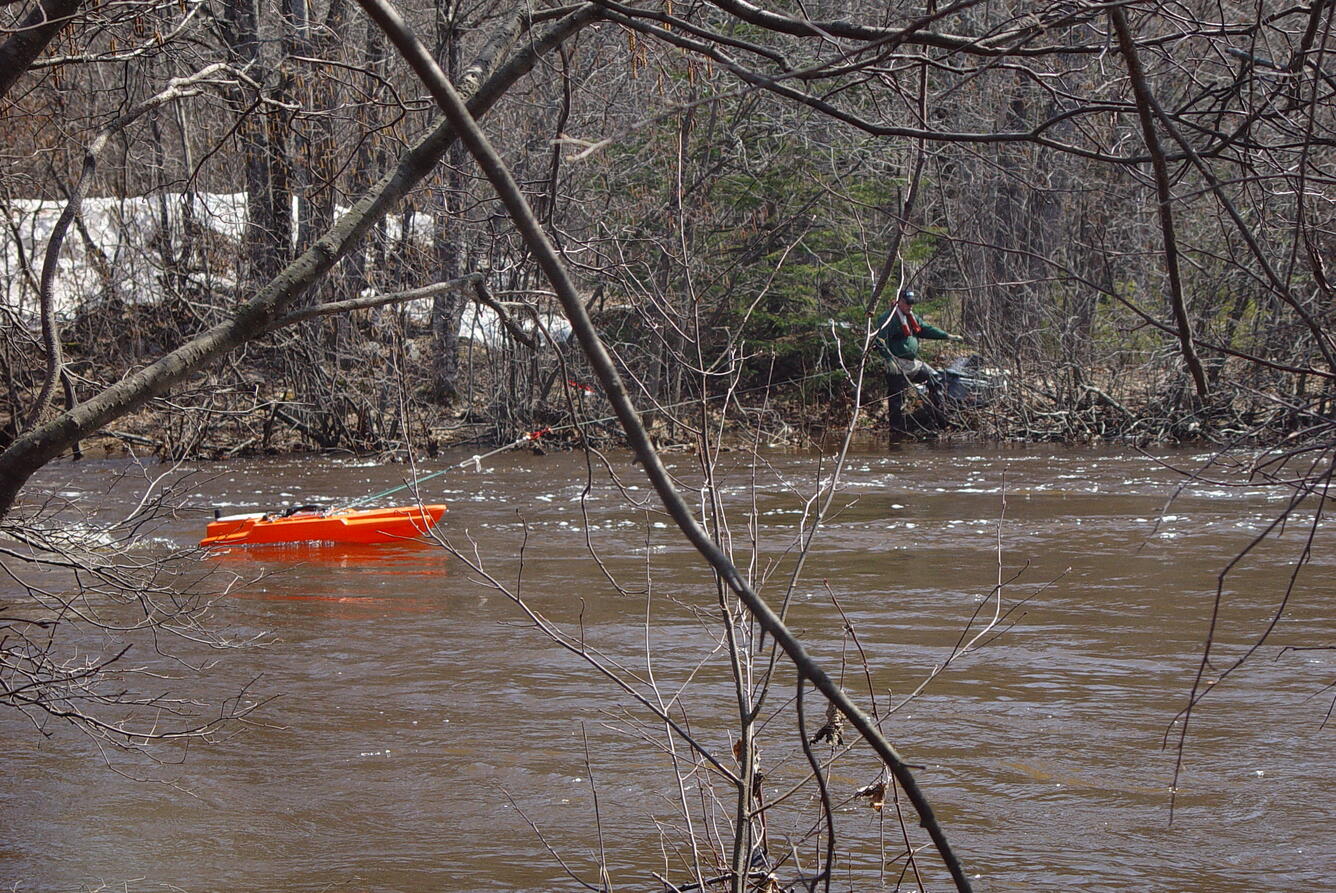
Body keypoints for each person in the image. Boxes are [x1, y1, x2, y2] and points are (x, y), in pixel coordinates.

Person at [875, 288, 964, 431]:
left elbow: (926, 329)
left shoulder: (912, 317)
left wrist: (947, 336)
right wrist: (888, 359)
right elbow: (879, 340)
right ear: (899, 302)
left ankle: (940, 419)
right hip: (896, 364)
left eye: (912, 303)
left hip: (912, 364)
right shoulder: (888, 319)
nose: (910, 306)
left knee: (935, 379)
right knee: (897, 397)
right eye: (907, 303)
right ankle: (896, 429)